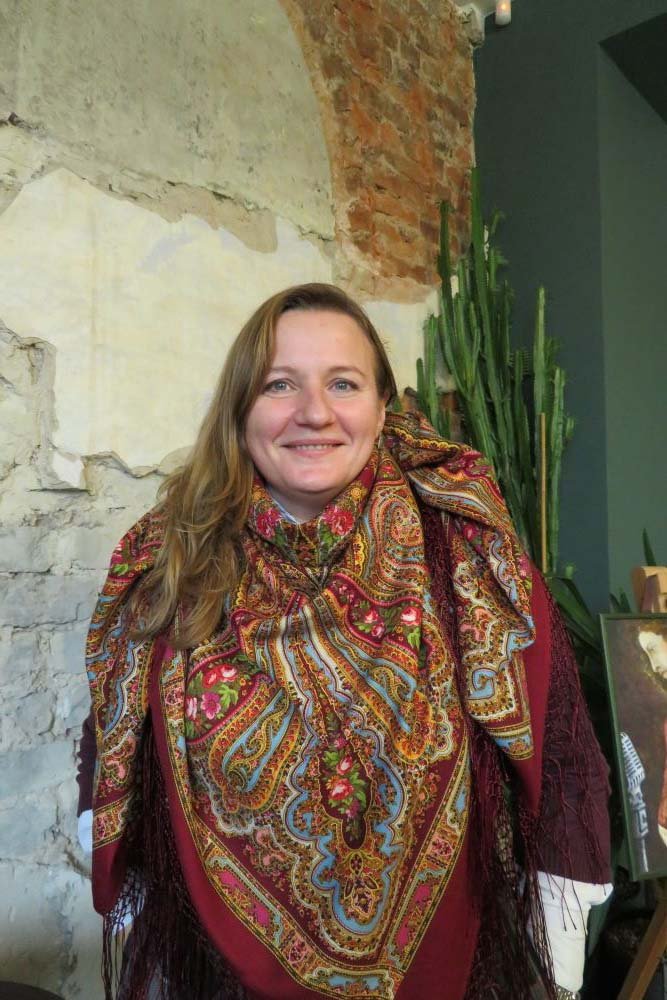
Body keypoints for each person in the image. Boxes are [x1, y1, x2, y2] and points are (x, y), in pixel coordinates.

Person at [78, 283, 611, 1000]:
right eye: (279, 384)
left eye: (343, 383)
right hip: (220, 972)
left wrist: (561, 947)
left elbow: (561, 743)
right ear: (240, 409)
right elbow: (112, 734)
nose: (314, 412)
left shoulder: (471, 554)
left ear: (382, 406)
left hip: (454, 971)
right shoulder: (168, 561)